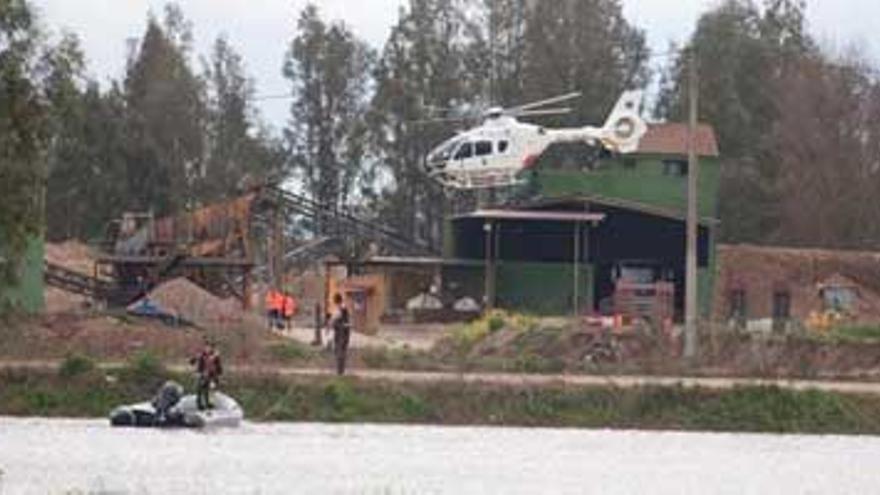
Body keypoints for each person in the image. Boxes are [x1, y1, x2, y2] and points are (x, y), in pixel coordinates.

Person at [191, 340, 223, 410]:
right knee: (199, 389)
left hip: (212, 376)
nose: (207, 349)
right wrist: (194, 360)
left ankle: (209, 404)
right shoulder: (201, 355)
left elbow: (219, 366)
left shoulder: (215, 356)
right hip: (203, 374)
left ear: (212, 348)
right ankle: (199, 404)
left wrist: (220, 375)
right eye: (206, 347)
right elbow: (192, 362)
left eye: (209, 347)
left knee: (210, 389)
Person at [325, 293, 351, 375]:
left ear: (335, 301)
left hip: (340, 333)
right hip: (346, 332)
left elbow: (332, 320)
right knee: (342, 350)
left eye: (333, 300)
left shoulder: (339, 310)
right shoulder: (345, 308)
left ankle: (339, 371)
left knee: (339, 350)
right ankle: (341, 370)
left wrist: (328, 329)